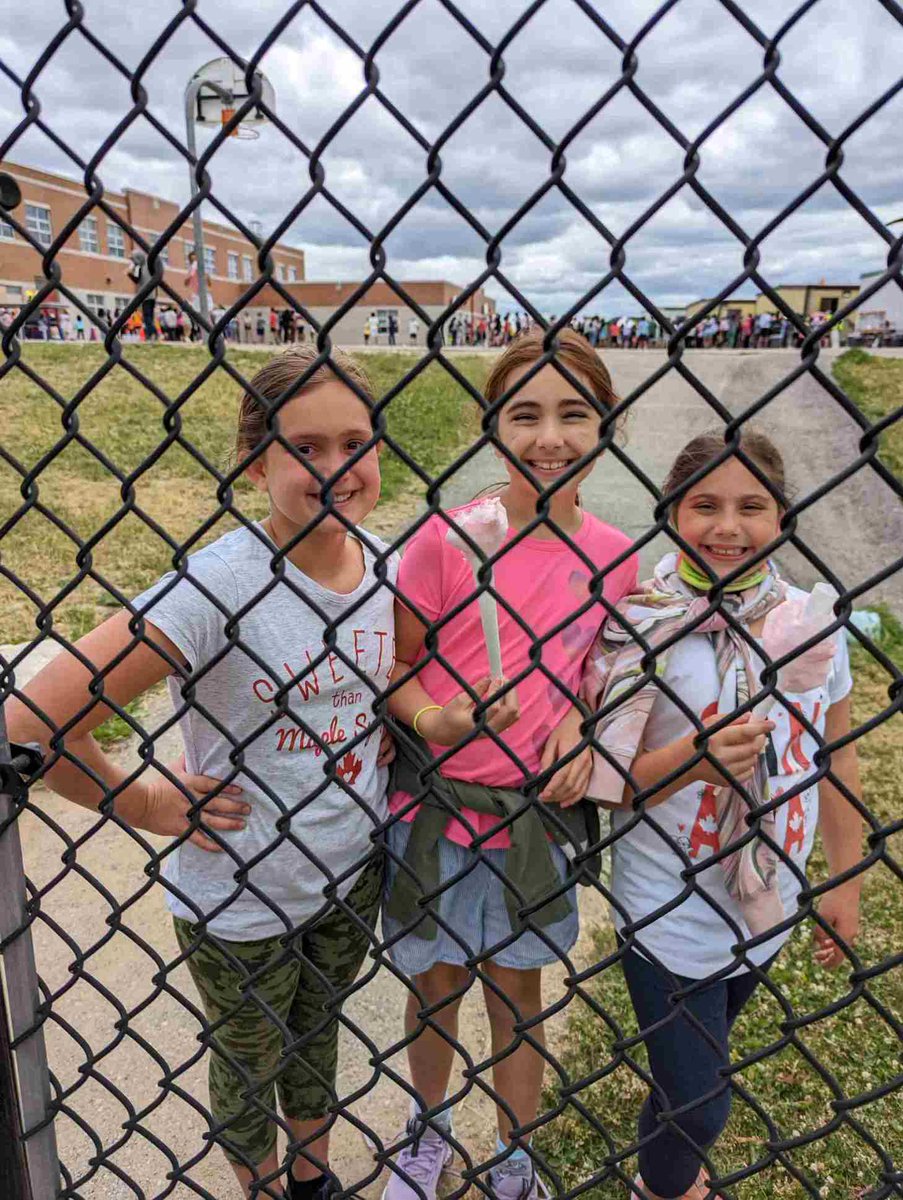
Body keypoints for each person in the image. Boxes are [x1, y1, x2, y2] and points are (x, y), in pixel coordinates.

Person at [5, 345, 400, 1200]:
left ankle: (311, 1177)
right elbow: (32, 720)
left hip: (346, 872)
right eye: (305, 447)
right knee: (249, 1064)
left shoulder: (387, 567)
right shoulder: (216, 587)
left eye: (353, 443)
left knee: (318, 1035)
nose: (334, 468)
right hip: (238, 894)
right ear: (257, 460)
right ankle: (262, 1185)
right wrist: (142, 797)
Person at [380, 328, 639, 1200]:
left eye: (573, 413)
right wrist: (439, 716)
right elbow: (396, 667)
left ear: (607, 424)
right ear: (490, 426)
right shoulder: (445, 542)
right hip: (435, 810)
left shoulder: (613, 556)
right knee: (435, 983)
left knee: (516, 991)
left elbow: (604, 672)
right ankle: (426, 1126)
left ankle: (513, 1149)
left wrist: (579, 720)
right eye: (523, 414)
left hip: (532, 821)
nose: (548, 436)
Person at [585, 429, 863, 1200]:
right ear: (671, 511)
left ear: (782, 517)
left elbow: (836, 758)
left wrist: (844, 881)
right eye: (703, 504)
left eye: (751, 506)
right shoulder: (637, 625)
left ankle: (671, 1123)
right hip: (664, 912)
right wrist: (696, 762)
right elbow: (605, 781)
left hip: (764, 898)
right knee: (703, 1105)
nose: (726, 526)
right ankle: (666, 1187)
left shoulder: (811, 623)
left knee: (688, 1076)